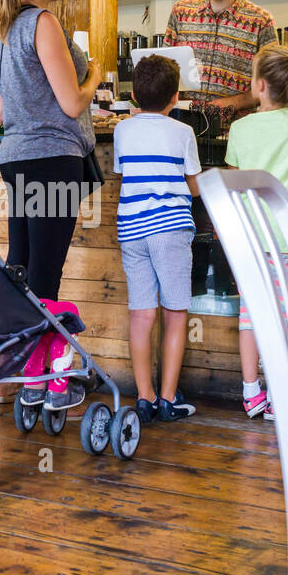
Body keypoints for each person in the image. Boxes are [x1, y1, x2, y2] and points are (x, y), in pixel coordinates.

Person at [0, 0, 101, 412]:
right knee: (44, 272)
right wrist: (93, 72)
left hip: (17, 158)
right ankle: (43, 380)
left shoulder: (3, 27)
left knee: (22, 265)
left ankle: (10, 373)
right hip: (53, 161)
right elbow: (72, 101)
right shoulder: (43, 23)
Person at [224, 44, 288, 419]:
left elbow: (234, 175)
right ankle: (282, 394)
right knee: (284, 316)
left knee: (250, 315)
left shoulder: (239, 128)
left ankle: (252, 393)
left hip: (246, 239)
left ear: (261, 86)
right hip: (284, 240)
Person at [114, 55, 199, 423]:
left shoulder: (122, 130)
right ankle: (168, 399)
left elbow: (123, 175)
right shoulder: (183, 133)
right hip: (171, 229)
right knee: (175, 314)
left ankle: (144, 399)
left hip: (131, 230)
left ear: (133, 94)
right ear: (175, 97)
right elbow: (193, 187)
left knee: (141, 314)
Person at [164, 0, 277, 122]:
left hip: (234, 136)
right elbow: (165, 73)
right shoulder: (181, 11)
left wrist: (230, 103)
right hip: (182, 129)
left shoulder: (261, 21)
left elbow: (271, 86)